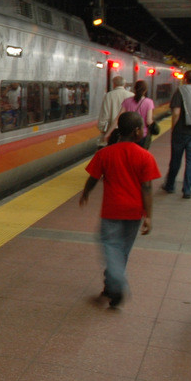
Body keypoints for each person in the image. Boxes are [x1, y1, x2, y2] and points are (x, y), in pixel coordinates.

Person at [79, 111, 161, 308]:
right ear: (136, 131)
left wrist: (86, 193)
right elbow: (147, 188)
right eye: (142, 128)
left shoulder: (105, 154)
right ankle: (111, 288)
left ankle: (117, 285)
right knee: (122, 251)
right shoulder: (145, 156)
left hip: (112, 210)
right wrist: (148, 216)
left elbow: (93, 178)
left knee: (111, 247)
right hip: (134, 212)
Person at [162, 70, 191, 198]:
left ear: (185, 79)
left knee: (175, 159)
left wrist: (173, 128)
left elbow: (176, 113)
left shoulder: (180, 91)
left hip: (180, 132)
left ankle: (170, 185)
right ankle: (187, 190)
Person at [121, 79, 155, 148]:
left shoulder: (127, 101)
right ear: (145, 90)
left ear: (134, 89)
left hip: (128, 134)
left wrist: (109, 132)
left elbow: (120, 117)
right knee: (140, 153)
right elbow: (148, 121)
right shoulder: (149, 102)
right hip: (142, 134)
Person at [98, 76, 132, 145]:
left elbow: (105, 114)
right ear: (124, 84)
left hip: (112, 130)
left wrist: (103, 129)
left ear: (114, 84)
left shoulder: (108, 96)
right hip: (128, 130)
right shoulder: (131, 95)